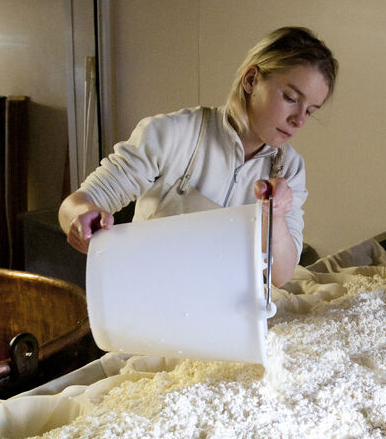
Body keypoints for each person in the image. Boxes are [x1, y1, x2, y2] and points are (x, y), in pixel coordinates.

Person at [58, 27, 337, 287]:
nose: (299, 120)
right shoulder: (173, 134)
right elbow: (78, 202)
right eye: (290, 97)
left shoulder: (289, 168)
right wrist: (81, 218)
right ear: (251, 80)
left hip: (223, 311)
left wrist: (274, 216)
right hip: (148, 297)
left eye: (310, 110)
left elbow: (281, 276)